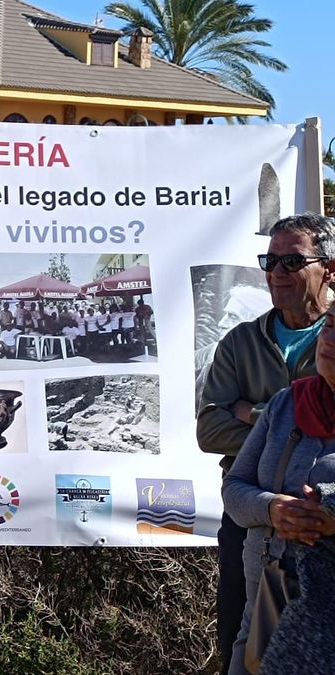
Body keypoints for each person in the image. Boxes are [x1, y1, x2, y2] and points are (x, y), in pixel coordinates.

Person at [199, 212, 335, 674]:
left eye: (292, 261)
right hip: (255, 522)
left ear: (328, 268)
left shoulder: (333, 337)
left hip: (324, 537)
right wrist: (274, 419)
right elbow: (208, 430)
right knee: (244, 640)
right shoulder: (239, 342)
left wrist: (249, 412)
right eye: (270, 261)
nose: (276, 273)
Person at [221, 303, 335, 674]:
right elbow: (235, 487)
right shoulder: (287, 403)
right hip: (265, 601)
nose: (329, 340)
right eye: (329, 326)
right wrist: (272, 509)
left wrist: (328, 517)